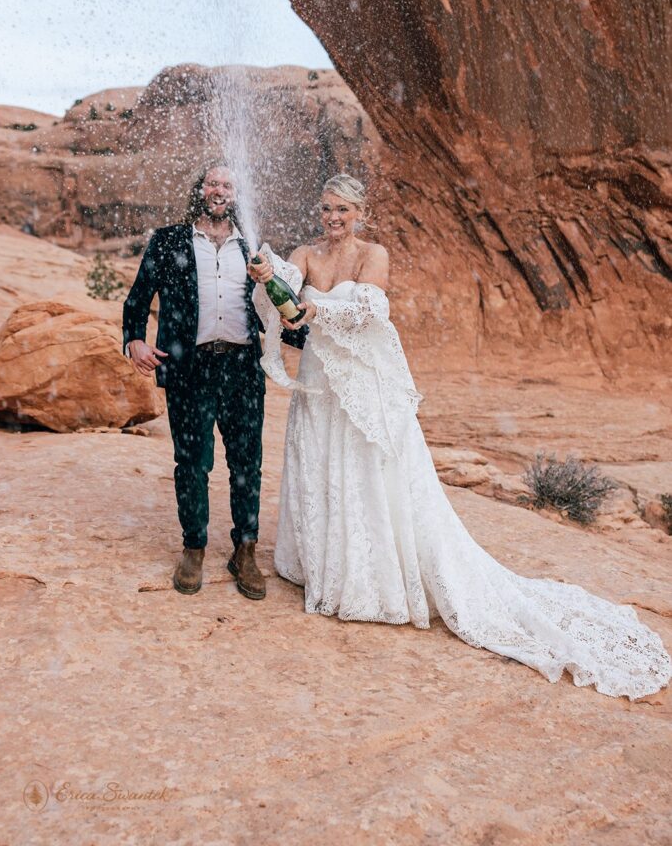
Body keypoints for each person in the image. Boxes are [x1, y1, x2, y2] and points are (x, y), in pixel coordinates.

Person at [252, 174, 671, 699]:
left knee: (369, 475)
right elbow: (281, 296)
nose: (332, 218)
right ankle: (322, 568)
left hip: (364, 384)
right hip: (321, 381)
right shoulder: (306, 253)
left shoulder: (372, 255)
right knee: (322, 468)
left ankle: (371, 581)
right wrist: (268, 277)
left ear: (359, 212)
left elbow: (369, 311)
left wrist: (319, 308)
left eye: (341, 209)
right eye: (326, 208)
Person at [122, 164, 282, 600]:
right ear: (200, 190)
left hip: (242, 370)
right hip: (189, 370)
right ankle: (194, 547)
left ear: (236, 194)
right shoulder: (168, 240)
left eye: (228, 185)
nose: (219, 190)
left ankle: (244, 550)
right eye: (212, 182)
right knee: (192, 463)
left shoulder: (254, 247)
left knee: (246, 463)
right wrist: (133, 339)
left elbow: (280, 304)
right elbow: (138, 298)